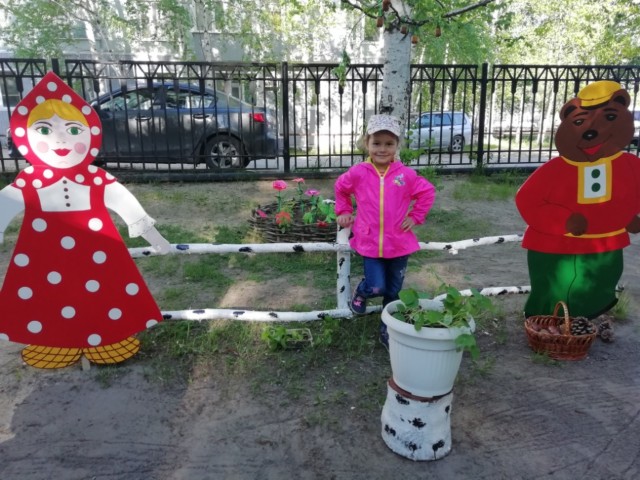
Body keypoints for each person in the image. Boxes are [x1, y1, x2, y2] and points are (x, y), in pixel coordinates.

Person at [0, 72, 171, 369]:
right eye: (44, 130)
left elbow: (125, 204)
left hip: (97, 253)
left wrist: (154, 238)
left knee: (105, 291)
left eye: (72, 129)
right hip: (44, 255)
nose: (60, 139)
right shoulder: (30, 180)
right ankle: (55, 342)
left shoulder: (96, 178)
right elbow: (5, 204)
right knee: (47, 294)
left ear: (89, 134)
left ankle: (108, 338)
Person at [334, 114, 436, 347]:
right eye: (377, 143)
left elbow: (427, 192)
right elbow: (341, 188)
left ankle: (387, 327)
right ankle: (362, 292)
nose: (382, 149)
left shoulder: (406, 175)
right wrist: (344, 210)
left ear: (397, 145)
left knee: (393, 290)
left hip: (398, 243)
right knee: (376, 286)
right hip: (369, 241)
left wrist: (415, 216)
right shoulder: (358, 172)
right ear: (367, 143)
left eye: (389, 143)